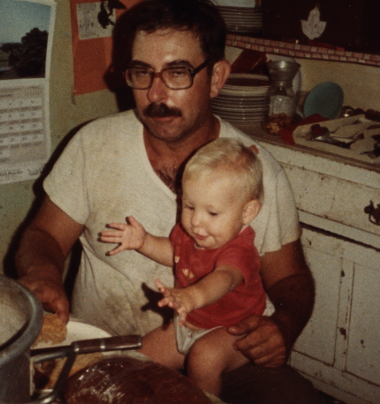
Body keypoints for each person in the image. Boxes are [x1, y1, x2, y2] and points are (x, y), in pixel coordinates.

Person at [15, 0, 318, 404]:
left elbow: (291, 280)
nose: (156, 93)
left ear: (216, 77)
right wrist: (43, 274)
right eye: (142, 73)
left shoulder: (257, 170)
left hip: (222, 353)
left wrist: (283, 326)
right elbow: (44, 236)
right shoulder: (94, 145)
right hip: (110, 355)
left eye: (177, 73)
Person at [100, 138, 266, 397]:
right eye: (189, 206)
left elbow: (224, 278)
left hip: (235, 329)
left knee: (204, 358)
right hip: (190, 322)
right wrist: (143, 242)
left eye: (212, 213)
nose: (196, 221)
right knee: (137, 358)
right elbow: (174, 253)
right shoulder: (192, 233)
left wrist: (192, 296)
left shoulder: (239, 250)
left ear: (247, 212)